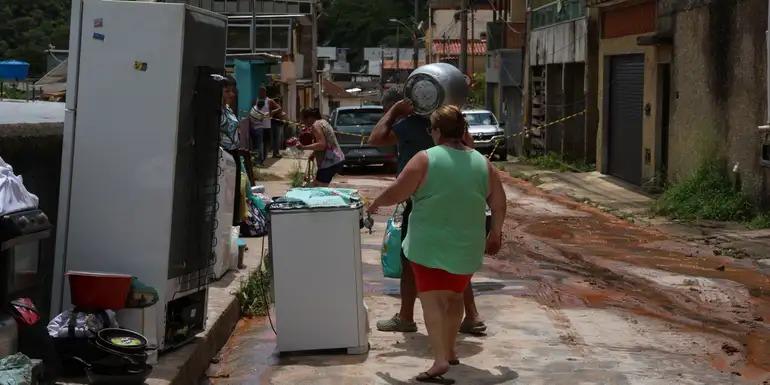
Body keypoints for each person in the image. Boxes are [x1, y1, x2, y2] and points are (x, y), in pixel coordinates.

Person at [367, 105, 506, 382]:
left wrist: (375, 203)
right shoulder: (482, 162)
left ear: (438, 131)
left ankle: (440, 360)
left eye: (431, 129)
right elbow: (499, 200)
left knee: (431, 300)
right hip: (467, 243)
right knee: (454, 298)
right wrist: (496, 233)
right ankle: (451, 350)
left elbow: (398, 191)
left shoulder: (425, 159)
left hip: (428, 242)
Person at [368, 87, 488, 336]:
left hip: (423, 198)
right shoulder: (450, 129)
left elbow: (376, 139)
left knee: (411, 257)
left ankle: (406, 317)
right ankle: (472, 316)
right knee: (455, 259)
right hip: (458, 198)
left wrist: (393, 112)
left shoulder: (409, 126)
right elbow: (472, 148)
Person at [220, 76, 248, 226]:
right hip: (224, 155)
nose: (231, 94)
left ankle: (233, 226)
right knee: (226, 193)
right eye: (226, 91)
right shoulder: (217, 112)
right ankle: (226, 226)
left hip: (234, 154)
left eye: (233, 91)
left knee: (235, 192)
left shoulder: (228, 109)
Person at [297, 108, 345, 187]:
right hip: (337, 159)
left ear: (309, 118)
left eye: (303, 119)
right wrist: (314, 153)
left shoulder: (315, 125)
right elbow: (327, 142)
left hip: (329, 162)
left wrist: (303, 147)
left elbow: (322, 145)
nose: (303, 122)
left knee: (319, 190)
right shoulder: (323, 122)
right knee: (319, 186)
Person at [249, 87, 282, 163]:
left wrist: (272, 113)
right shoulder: (255, 101)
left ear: (265, 92)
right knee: (259, 144)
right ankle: (260, 158)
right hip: (257, 127)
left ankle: (263, 157)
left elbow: (279, 108)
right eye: (260, 92)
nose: (261, 93)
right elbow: (253, 111)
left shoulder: (269, 101)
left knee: (266, 143)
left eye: (263, 92)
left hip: (267, 126)